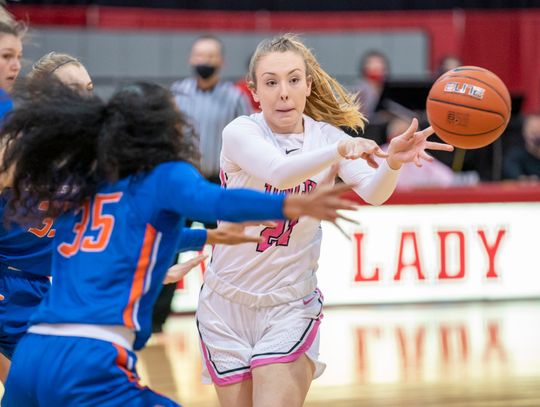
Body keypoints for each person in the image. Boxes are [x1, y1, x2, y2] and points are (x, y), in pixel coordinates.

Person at [0, 79, 357, 406]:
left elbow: (128, 240)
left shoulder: (93, 184)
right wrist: (288, 203)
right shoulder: (163, 175)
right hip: (89, 357)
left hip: (33, 353)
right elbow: (215, 200)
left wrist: (205, 236)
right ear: (161, 129)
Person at [196, 34, 453, 407]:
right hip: (224, 304)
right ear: (254, 91)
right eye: (271, 82)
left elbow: (374, 192)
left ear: (308, 85)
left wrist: (393, 162)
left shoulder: (326, 137)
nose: (284, 92)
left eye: (294, 79)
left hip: (287, 304)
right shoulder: (240, 132)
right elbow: (278, 171)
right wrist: (338, 150)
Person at [171, 35, 253, 184]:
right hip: (184, 179)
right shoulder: (177, 93)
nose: (205, 61)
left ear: (221, 62)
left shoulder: (235, 97)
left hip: (220, 181)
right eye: (200, 56)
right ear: (191, 59)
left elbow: (248, 140)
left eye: (211, 56)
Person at [377, 117, 455, 189]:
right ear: (390, 138)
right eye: (400, 135)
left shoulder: (421, 155)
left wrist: (423, 187)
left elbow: (447, 179)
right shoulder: (378, 154)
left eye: (410, 136)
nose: (405, 141)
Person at [352, 49, 389, 121]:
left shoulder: (383, 87)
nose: (376, 66)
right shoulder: (361, 88)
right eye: (372, 63)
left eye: (379, 63)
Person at [502, 112, 540, 180]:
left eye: (539, 132)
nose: (536, 137)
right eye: (533, 132)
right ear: (524, 133)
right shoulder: (515, 155)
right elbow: (513, 176)